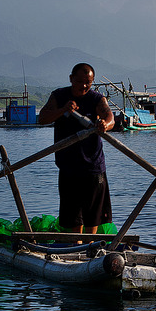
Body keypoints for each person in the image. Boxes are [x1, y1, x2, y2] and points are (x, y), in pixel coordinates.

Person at [37, 62, 116, 233]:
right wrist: (63, 109)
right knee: (73, 217)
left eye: (88, 82)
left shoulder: (96, 98)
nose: (84, 86)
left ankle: (89, 248)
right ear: (71, 79)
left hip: (92, 167)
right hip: (68, 167)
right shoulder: (59, 96)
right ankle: (76, 247)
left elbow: (110, 117)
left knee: (92, 217)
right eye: (80, 81)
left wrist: (105, 124)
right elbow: (42, 118)